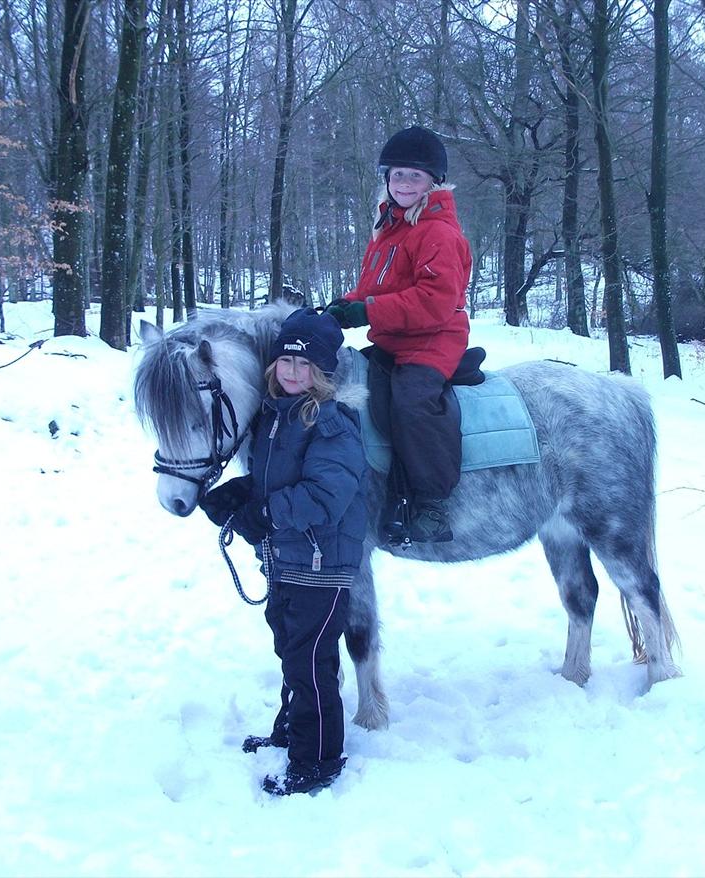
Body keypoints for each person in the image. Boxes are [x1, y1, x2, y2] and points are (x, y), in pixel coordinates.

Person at [200, 308, 367, 797]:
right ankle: (292, 730)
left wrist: (268, 513)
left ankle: (317, 760)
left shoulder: (331, 424)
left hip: (322, 564)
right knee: (289, 650)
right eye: (285, 363)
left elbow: (324, 496)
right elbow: (281, 479)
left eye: (304, 366)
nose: (292, 372)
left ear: (321, 373)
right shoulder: (276, 418)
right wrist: (242, 494)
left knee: (311, 660)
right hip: (288, 560)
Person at [325, 125, 472, 543]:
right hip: (394, 338)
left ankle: (431, 502)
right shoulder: (390, 229)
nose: (404, 183)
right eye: (398, 175)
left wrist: (366, 311)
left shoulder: (440, 233)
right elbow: (373, 290)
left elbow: (435, 301)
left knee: (412, 402)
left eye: (415, 176)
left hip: (433, 339)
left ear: (434, 183)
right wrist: (341, 305)